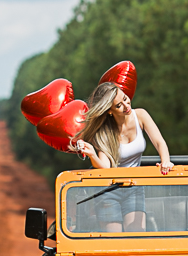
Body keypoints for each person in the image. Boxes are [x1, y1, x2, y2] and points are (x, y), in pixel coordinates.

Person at [71, 81, 173, 232]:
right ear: (109, 111)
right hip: (108, 190)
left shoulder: (140, 115)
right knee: (114, 241)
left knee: (136, 237)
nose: (126, 106)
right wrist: (92, 154)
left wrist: (165, 161)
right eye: (119, 105)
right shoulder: (103, 132)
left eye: (125, 98)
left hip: (134, 187)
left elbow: (159, 142)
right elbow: (105, 167)